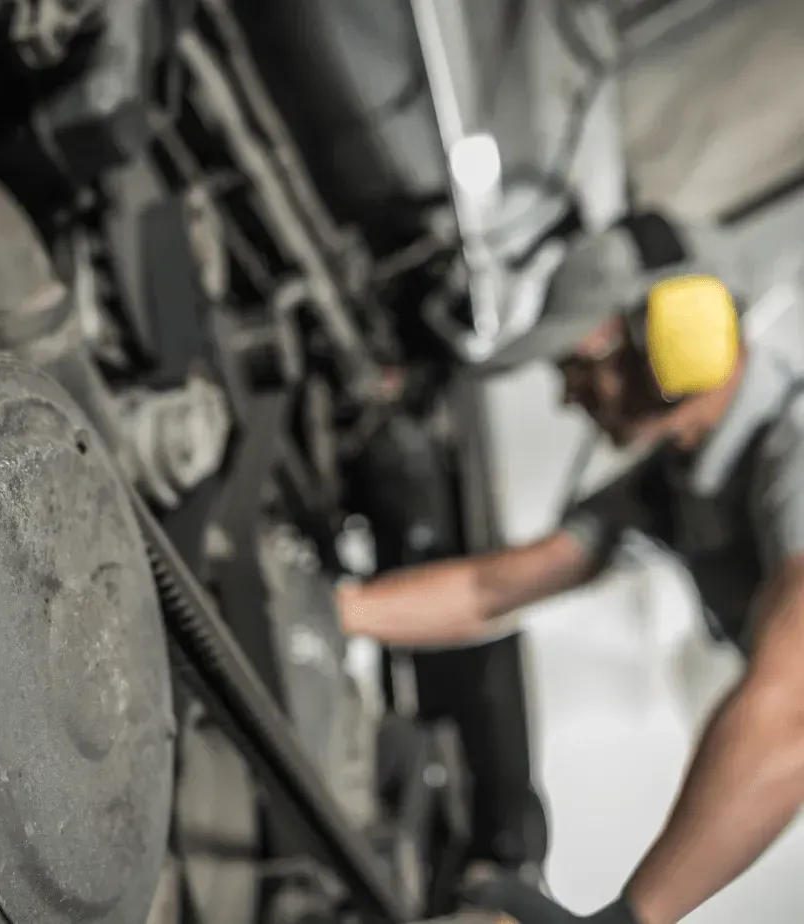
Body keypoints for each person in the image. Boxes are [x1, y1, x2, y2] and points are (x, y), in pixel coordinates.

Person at [337, 210, 804, 924]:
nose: (566, 397)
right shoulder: (668, 486)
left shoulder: (795, 453)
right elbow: (492, 589)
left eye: (577, 366)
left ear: (672, 337)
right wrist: (328, 614)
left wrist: (632, 919)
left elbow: (794, 707)